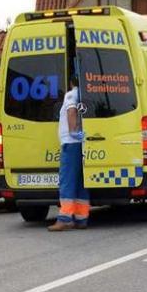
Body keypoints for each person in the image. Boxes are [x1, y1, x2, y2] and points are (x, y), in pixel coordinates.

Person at [48, 76, 90, 231]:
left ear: (71, 82)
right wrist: (80, 134)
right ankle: (81, 217)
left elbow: (71, 111)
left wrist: (73, 132)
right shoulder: (85, 94)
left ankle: (65, 218)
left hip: (70, 144)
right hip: (80, 144)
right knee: (80, 182)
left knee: (66, 181)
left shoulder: (71, 94)